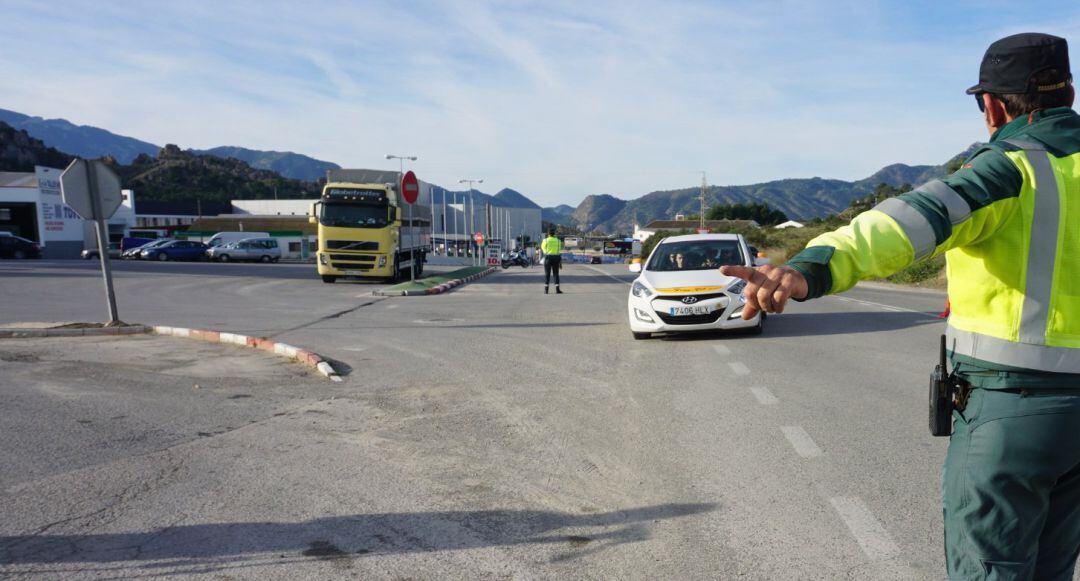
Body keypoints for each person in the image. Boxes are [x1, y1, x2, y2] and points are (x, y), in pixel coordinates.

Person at [721, 33, 1080, 579]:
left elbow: (902, 224)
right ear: (1069, 91)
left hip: (1012, 411)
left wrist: (807, 270)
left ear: (994, 105)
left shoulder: (1009, 168)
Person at [540, 230, 563, 294]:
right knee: (556, 274)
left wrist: (546, 252)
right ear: (554, 234)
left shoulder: (545, 240)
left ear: (548, 234)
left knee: (547, 274)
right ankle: (557, 290)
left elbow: (542, 247)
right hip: (556, 258)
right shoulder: (558, 241)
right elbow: (559, 250)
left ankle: (546, 290)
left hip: (548, 258)